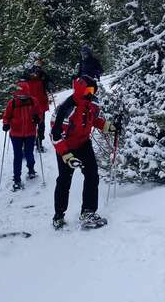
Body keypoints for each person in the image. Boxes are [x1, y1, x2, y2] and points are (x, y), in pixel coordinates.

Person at [50, 76, 120, 230]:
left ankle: (88, 212)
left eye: (93, 90)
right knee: (64, 180)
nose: (91, 93)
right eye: (88, 90)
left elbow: (95, 119)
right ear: (80, 89)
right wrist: (66, 155)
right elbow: (55, 135)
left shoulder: (92, 104)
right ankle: (59, 216)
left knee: (92, 175)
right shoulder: (65, 109)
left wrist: (108, 126)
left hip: (83, 144)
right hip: (66, 147)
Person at [2, 80, 42, 191]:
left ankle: (31, 169)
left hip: (30, 132)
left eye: (24, 95)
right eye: (20, 95)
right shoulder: (13, 103)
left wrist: (38, 119)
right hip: (16, 134)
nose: (22, 97)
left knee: (29, 153)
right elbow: (6, 116)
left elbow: (39, 113)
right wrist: (6, 124)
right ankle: (17, 178)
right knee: (18, 156)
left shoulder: (33, 101)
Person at [23, 58, 52, 153]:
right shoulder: (41, 74)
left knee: (31, 124)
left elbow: (49, 84)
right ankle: (38, 143)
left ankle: (33, 144)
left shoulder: (29, 74)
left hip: (32, 103)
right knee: (39, 124)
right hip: (37, 103)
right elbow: (49, 84)